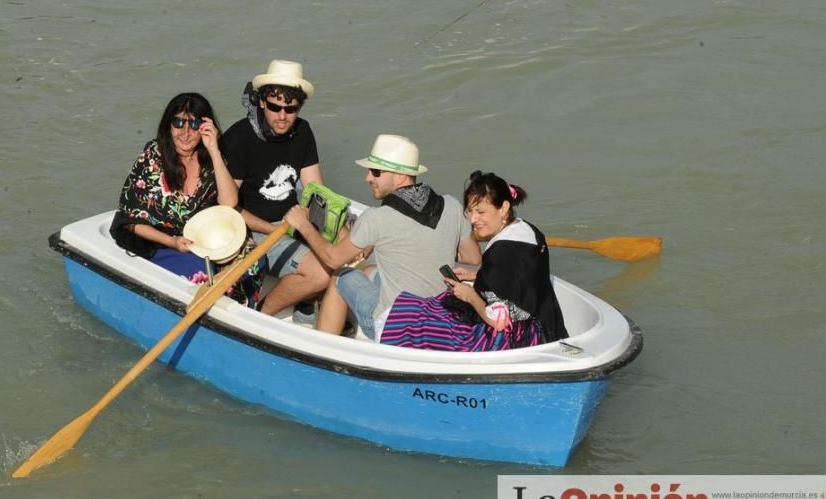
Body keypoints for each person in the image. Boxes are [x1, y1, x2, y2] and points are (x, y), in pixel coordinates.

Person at [283, 134, 482, 341]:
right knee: (371, 270)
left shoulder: (377, 218)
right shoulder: (452, 205)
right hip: (437, 317)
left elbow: (332, 258)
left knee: (339, 276)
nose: (368, 178)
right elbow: (473, 258)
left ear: (400, 176)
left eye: (376, 172)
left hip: (395, 326)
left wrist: (304, 225)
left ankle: (322, 347)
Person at [378, 171, 568, 351]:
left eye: (481, 212)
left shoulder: (500, 252)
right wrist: (477, 275)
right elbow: (519, 278)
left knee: (413, 317)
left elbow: (497, 320)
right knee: (432, 305)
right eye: (470, 211)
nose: (473, 219)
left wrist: (470, 295)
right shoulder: (530, 231)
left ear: (504, 208)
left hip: (511, 340)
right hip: (544, 326)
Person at [109, 92, 265, 307]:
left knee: (255, 260)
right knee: (203, 273)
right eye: (178, 123)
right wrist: (173, 242)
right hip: (161, 243)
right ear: (168, 125)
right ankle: (219, 317)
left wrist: (214, 150)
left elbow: (229, 203)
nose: (185, 132)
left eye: (194, 125)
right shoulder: (153, 157)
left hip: (205, 240)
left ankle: (243, 312)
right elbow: (131, 221)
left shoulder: (211, 159)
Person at [222, 60, 330, 319]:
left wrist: (335, 228)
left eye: (290, 109)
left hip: (292, 222)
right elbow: (228, 207)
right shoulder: (239, 138)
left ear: (299, 107)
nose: (282, 116)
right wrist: (275, 230)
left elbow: (316, 190)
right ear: (261, 102)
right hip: (253, 229)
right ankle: (262, 315)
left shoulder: (303, 131)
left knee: (340, 253)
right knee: (321, 273)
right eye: (274, 107)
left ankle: (308, 303)